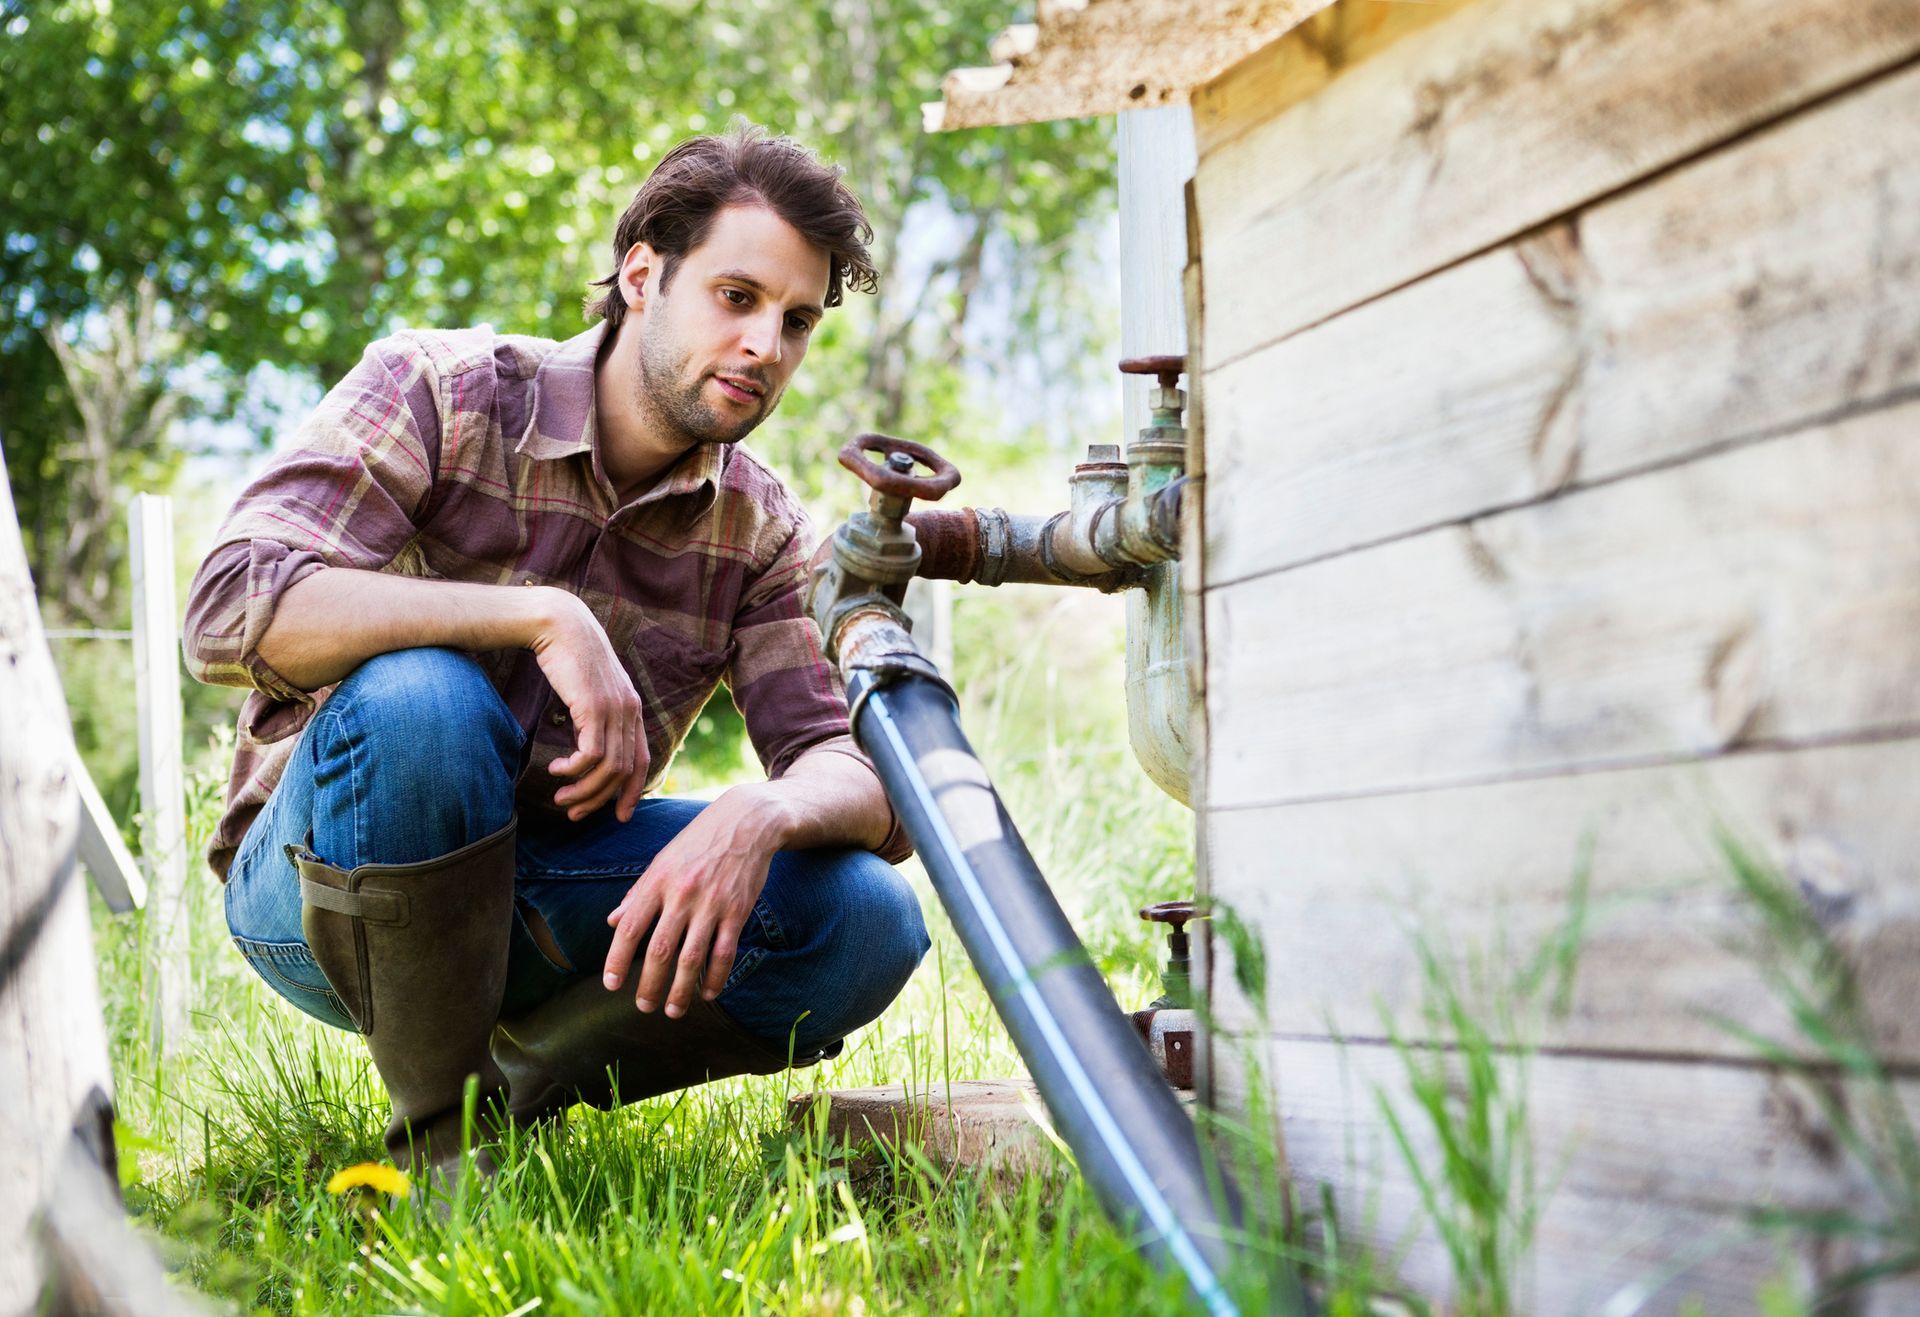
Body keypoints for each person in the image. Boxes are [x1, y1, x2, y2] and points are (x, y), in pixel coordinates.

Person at [182, 124, 929, 1186]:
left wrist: (758, 814)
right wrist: (537, 617)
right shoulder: (441, 391)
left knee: (865, 917)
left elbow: (872, 782)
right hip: (323, 887)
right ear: (642, 276)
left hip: (552, 883)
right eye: (736, 297)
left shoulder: (761, 532)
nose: (767, 345)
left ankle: (504, 1097)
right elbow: (225, 610)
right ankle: (441, 1166)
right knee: (422, 698)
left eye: (797, 320)